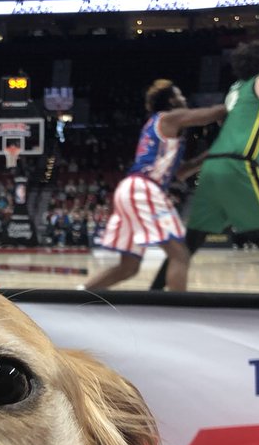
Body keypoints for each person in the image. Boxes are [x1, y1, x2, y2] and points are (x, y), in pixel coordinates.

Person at [151, 6, 259, 294]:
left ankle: (151, 297)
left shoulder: (236, 88)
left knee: (189, 243)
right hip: (238, 166)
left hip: (211, 168)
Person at [80, 81, 227, 292]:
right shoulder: (168, 117)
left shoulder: (162, 127)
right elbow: (210, 114)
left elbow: (181, 172)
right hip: (143, 188)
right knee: (180, 254)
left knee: (128, 267)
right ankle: (178, 313)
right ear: (170, 101)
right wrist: (235, 103)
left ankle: (79, 295)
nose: (184, 99)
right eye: (180, 95)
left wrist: (212, 153)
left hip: (130, 189)